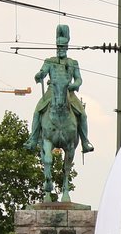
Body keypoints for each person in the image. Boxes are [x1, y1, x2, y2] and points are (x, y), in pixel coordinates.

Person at [25, 24, 94, 153]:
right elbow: (43, 72)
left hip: (69, 93)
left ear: (66, 47)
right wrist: (39, 75)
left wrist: (74, 85)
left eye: (62, 47)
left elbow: (78, 79)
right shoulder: (49, 61)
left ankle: (85, 141)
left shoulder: (73, 63)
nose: (60, 49)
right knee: (37, 112)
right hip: (52, 91)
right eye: (58, 47)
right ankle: (33, 139)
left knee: (83, 115)